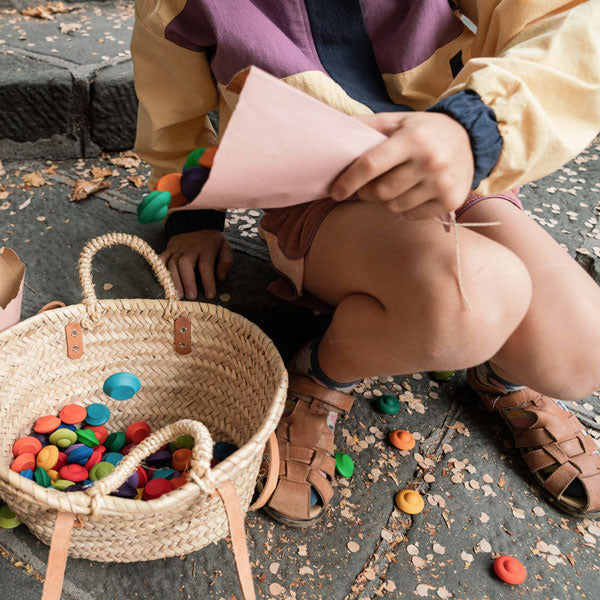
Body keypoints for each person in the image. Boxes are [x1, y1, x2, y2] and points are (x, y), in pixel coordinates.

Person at [131, 0, 600, 524]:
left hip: (451, 162)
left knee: (580, 351)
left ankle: (499, 374)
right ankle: (324, 373)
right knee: (469, 296)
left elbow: (573, 21)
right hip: (314, 192)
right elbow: (171, 112)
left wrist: (478, 124)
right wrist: (193, 217)